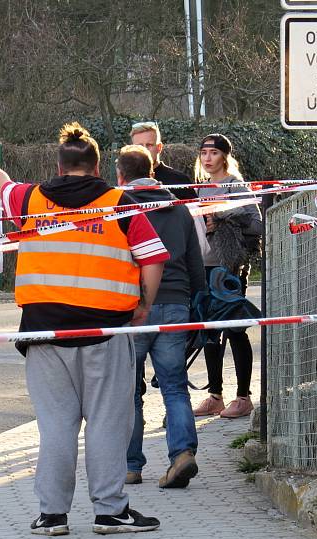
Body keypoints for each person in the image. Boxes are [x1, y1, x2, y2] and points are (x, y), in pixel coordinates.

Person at [0, 123, 169, 536]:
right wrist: (144, 305)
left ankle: (52, 515)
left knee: (56, 426)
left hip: (43, 334)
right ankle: (110, 512)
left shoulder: (31, 199)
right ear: (97, 165)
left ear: (58, 164)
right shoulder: (119, 203)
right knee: (108, 423)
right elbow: (153, 258)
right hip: (105, 331)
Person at [116, 145, 206, 489]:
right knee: (174, 386)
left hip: (135, 306)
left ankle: (129, 465)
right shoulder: (179, 208)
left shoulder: (119, 204)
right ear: (153, 169)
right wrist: (199, 301)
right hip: (176, 304)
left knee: (127, 389)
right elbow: (195, 261)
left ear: (121, 174)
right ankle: (182, 454)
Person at [191, 134, 262, 419]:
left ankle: (243, 397)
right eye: (203, 152)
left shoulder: (236, 185)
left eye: (213, 153)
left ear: (224, 157)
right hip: (203, 266)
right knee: (208, 331)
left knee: (234, 329)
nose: (208, 158)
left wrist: (222, 217)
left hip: (229, 269)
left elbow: (256, 223)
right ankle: (215, 395)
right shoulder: (198, 189)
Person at [129, 121, 198, 202]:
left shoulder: (179, 181)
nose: (145, 150)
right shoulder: (127, 181)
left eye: (149, 145)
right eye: (139, 146)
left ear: (159, 147)